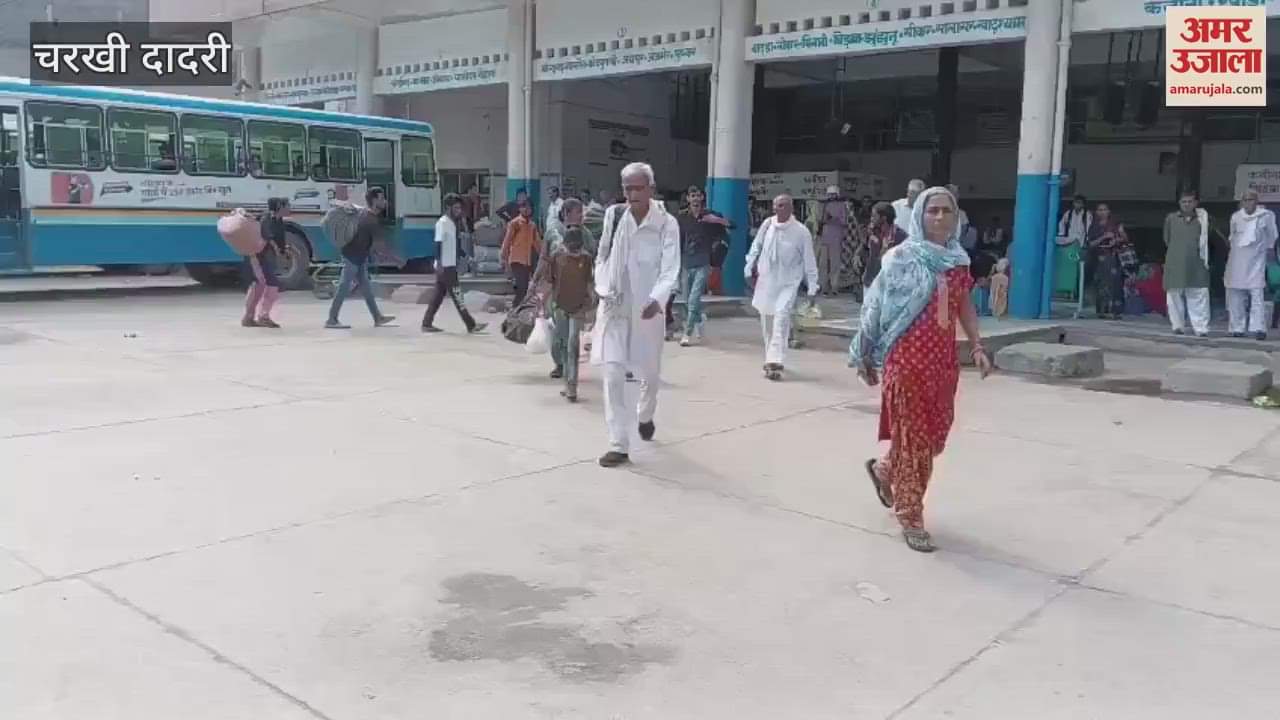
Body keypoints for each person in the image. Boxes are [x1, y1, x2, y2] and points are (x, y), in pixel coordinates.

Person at [851, 186, 992, 553]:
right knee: (914, 443)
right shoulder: (901, 258)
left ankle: (884, 470)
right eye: (933, 211)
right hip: (906, 361)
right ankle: (910, 514)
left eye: (947, 211)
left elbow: (965, 307)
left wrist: (976, 345)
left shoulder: (958, 262)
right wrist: (864, 351)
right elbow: (876, 306)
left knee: (932, 439)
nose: (940, 218)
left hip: (943, 365)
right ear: (919, 216)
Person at [591, 162, 679, 468]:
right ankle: (618, 443)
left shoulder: (667, 224)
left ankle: (646, 414)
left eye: (637, 188)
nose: (631, 194)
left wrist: (658, 299)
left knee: (649, 375)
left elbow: (670, 268)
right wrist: (602, 285)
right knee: (613, 374)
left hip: (648, 311)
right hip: (615, 307)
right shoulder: (614, 216)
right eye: (627, 188)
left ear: (651, 189)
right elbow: (602, 255)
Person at [744, 194, 819, 381]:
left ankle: (774, 359)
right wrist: (748, 267)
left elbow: (810, 261)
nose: (779, 209)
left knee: (782, 317)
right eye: (776, 205)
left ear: (791, 208)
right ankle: (771, 358)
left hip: (788, 283)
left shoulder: (801, 232)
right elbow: (756, 246)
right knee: (767, 320)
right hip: (767, 281)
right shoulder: (768, 225)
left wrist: (812, 288)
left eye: (783, 206)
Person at [539, 198, 596, 378]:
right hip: (558, 293)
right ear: (567, 213)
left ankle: (571, 371)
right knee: (559, 334)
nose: (582, 216)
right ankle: (560, 364)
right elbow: (544, 259)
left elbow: (593, 258)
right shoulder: (553, 232)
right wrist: (535, 284)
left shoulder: (585, 234)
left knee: (573, 336)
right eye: (579, 212)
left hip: (579, 294)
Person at [326, 187, 396, 329]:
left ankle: (377, 318)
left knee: (366, 288)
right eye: (382, 198)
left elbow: (371, 243)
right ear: (375, 200)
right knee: (344, 287)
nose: (385, 201)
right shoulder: (370, 219)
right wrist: (396, 260)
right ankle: (331, 320)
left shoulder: (364, 214)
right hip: (352, 257)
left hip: (358, 256)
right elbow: (379, 247)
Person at [422, 193, 487, 335]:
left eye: (459, 208)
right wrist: (438, 262)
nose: (459, 210)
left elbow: (454, 245)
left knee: (438, 296)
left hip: (450, 265)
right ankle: (471, 325)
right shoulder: (442, 223)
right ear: (448, 208)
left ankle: (426, 323)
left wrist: (466, 256)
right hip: (445, 267)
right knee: (458, 295)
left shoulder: (452, 223)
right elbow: (438, 243)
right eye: (456, 208)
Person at [675, 185, 732, 346]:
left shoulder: (711, 216)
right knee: (687, 300)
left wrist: (717, 220)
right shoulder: (681, 217)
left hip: (704, 262)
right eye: (692, 195)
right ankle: (699, 321)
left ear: (702, 198)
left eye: (698, 195)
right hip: (686, 262)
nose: (695, 198)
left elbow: (732, 225)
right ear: (687, 199)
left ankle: (687, 333)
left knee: (693, 299)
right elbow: (676, 238)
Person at [1225, 189, 1278, 339]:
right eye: (1245, 200)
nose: (1248, 203)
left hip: (1256, 261)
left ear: (1257, 201)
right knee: (1236, 294)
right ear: (1242, 202)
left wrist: (1266, 254)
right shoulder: (1236, 217)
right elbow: (1232, 237)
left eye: (1251, 199)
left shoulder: (1266, 216)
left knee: (1256, 295)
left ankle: (1258, 328)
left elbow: (1272, 236)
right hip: (1237, 260)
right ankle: (1237, 328)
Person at [1162, 191, 1212, 338]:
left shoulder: (1202, 219)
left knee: (1199, 293)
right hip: (1175, 261)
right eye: (1184, 202)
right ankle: (1177, 326)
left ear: (1196, 203)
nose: (1187, 204)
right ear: (1179, 203)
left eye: (1190, 201)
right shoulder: (1171, 218)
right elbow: (1167, 239)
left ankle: (1201, 328)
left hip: (1197, 262)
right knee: (1174, 295)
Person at [242, 196, 289, 329]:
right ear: (279, 206)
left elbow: (280, 240)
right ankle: (262, 317)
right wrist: (277, 250)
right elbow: (268, 238)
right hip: (257, 257)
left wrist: (283, 251)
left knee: (259, 286)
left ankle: (249, 317)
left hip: (264, 257)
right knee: (270, 284)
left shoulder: (278, 220)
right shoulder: (266, 219)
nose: (289, 208)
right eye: (287, 205)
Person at [1085, 203, 1129, 320]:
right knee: (1101, 284)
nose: (1102, 212)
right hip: (1098, 259)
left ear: (1109, 211)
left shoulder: (1116, 224)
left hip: (1113, 257)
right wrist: (1103, 237)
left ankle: (1116, 311)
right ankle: (1102, 311)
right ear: (1096, 212)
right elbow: (1091, 244)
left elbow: (1125, 238)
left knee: (1115, 284)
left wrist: (1115, 240)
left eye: (1105, 209)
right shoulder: (1093, 226)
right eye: (1100, 210)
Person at [501, 201, 542, 306]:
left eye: (528, 207)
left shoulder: (532, 225)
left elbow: (537, 243)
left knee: (524, 290)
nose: (526, 209)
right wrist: (503, 259)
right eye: (523, 207)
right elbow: (507, 241)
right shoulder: (515, 223)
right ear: (519, 209)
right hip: (516, 260)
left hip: (527, 261)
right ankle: (513, 313)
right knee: (521, 288)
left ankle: (517, 313)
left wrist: (544, 256)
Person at [861, 201, 907, 289]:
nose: (871, 219)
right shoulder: (872, 231)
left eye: (874, 216)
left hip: (890, 284)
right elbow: (866, 248)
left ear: (883, 218)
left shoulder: (900, 236)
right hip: (870, 280)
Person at [816, 186, 848, 297]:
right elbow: (820, 220)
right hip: (825, 237)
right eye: (830, 194)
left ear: (837, 194)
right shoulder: (823, 205)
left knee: (835, 263)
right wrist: (826, 219)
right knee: (823, 263)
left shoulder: (842, 205)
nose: (831, 196)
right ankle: (822, 286)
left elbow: (844, 221)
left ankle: (834, 286)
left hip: (836, 236)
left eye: (833, 194)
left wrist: (834, 219)